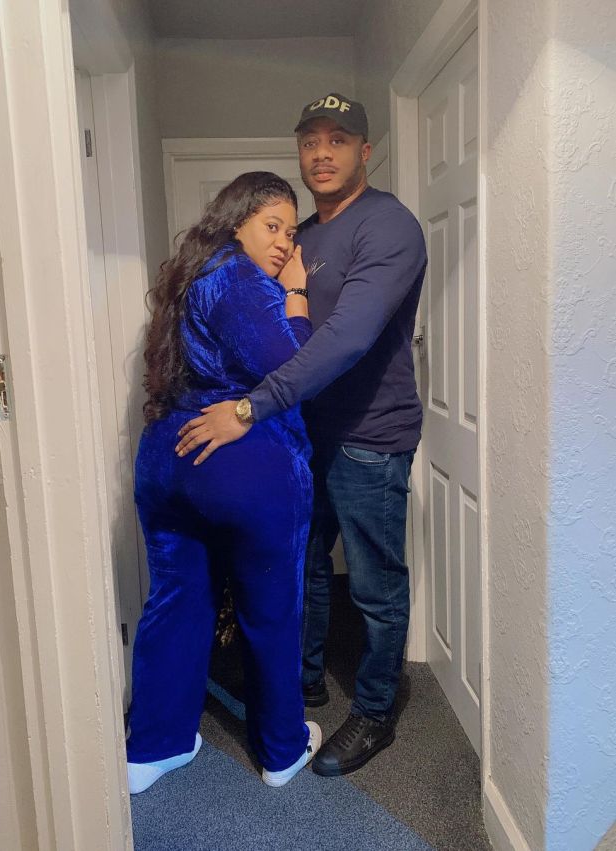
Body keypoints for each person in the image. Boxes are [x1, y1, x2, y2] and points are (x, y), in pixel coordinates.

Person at [175, 93, 427, 777]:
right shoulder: (301, 235)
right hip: (303, 433)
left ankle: (375, 711)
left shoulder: (389, 226)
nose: (321, 153)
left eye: (337, 140)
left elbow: (345, 338)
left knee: (374, 585)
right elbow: (269, 327)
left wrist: (248, 410)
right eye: (310, 140)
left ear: (364, 152)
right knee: (306, 566)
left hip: (370, 436)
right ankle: (305, 681)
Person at [126, 171, 322, 794]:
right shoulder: (239, 276)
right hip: (243, 464)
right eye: (273, 226)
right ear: (238, 222)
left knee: (176, 600)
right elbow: (293, 365)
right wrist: (296, 295)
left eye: (291, 233)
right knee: (272, 608)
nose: (285, 243)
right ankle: (282, 750)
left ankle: (153, 747)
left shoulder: (186, 278)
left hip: (167, 459)